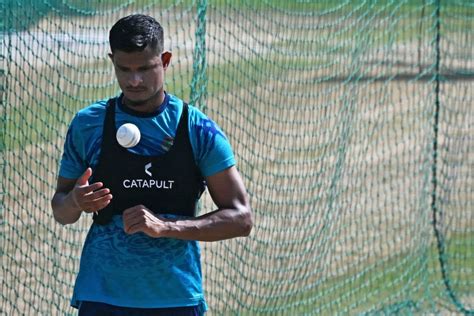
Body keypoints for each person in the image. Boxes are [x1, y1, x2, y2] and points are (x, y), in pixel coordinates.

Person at [51, 14, 253, 315]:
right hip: (102, 295)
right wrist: (76, 202)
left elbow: (241, 218)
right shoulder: (88, 125)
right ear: (112, 61)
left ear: (166, 60)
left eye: (145, 69)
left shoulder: (197, 130)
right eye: (125, 69)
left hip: (175, 297)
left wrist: (165, 226)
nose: (134, 81)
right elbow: (61, 210)